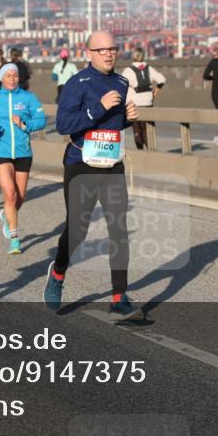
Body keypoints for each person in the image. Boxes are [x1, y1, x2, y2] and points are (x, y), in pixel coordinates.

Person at [43, 31, 142, 321]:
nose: (109, 54)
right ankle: (58, 273)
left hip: (112, 164)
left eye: (113, 48)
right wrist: (98, 107)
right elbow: (63, 125)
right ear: (89, 53)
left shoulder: (123, 83)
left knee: (118, 229)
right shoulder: (77, 83)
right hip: (81, 164)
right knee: (78, 230)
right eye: (102, 50)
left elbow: (113, 124)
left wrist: (127, 118)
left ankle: (118, 297)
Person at [0, 63, 46, 254]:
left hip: (23, 152)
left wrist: (24, 124)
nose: (12, 78)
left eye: (15, 75)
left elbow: (40, 120)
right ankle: (14, 240)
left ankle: (6, 214)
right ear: (1, 78)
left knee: (20, 196)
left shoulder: (28, 97)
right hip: (1, 151)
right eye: (7, 75)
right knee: (10, 193)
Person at [121, 48, 165, 150]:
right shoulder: (148, 68)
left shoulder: (128, 70)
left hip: (134, 104)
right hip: (148, 103)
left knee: (137, 131)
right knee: (148, 130)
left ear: (133, 56)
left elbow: (121, 85)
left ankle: (141, 152)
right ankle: (151, 152)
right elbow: (161, 80)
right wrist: (155, 92)